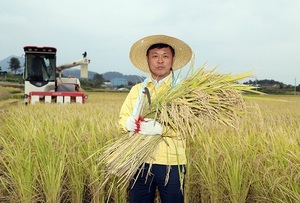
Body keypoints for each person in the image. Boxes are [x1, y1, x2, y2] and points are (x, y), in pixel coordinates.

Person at [118, 34, 193, 203]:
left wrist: (162, 129)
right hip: (139, 162)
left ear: (172, 60)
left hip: (172, 163)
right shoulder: (137, 90)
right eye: (155, 56)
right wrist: (127, 123)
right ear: (147, 59)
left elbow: (190, 124)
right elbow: (122, 119)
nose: (160, 61)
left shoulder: (183, 91)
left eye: (165, 56)